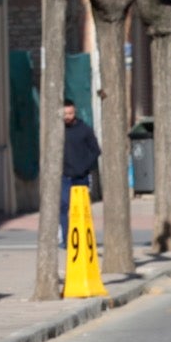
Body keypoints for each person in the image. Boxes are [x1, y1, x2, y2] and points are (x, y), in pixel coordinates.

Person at [61, 99, 101, 247]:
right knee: (64, 206)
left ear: (75, 112)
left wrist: (84, 167)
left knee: (82, 208)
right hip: (65, 176)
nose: (68, 116)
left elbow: (96, 150)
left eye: (70, 113)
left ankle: (84, 238)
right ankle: (66, 240)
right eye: (65, 113)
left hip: (81, 176)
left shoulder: (85, 129)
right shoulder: (58, 130)